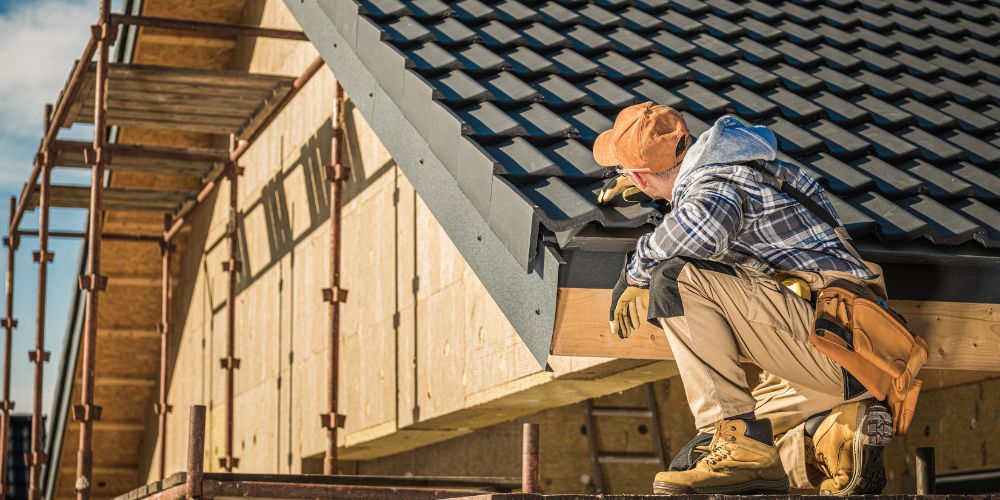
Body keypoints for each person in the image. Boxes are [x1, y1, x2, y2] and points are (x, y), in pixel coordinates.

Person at [593, 102, 894, 495]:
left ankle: (740, 447)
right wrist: (666, 195)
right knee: (709, 456)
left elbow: (704, 226)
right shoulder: (744, 169)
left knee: (674, 277)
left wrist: (637, 270)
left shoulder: (716, 181)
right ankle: (837, 435)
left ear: (638, 175)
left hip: (832, 339)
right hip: (851, 358)